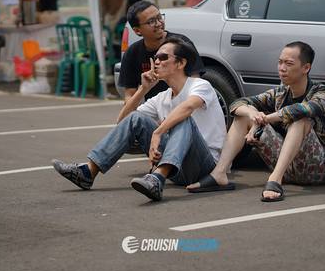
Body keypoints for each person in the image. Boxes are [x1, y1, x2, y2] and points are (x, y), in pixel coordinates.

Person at [52, 37, 226, 201]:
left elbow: (187, 108)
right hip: (177, 170)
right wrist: (143, 89)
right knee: (136, 117)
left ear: (181, 63)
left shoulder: (200, 85)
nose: (156, 62)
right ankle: (88, 172)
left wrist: (158, 132)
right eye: (155, 57)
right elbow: (123, 122)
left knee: (183, 119)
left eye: (163, 57)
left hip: (204, 168)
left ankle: (157, 178)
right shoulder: (162, 97)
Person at [187, 41, 325, 202]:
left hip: (318, 169)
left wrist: (263, 120)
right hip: (287, 167)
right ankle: (219, 174)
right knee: (244, 115)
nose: (282, 68)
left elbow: (301, 110)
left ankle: (275, 180)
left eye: (289, 64)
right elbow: (237, 104)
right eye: (280, 62)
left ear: (306, 68)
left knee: (300, 120)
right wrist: (253, 115)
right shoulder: (280, 93)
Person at [118, 0, 205, 102]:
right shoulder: (132, 53)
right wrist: (143, 89)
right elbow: (129, 95)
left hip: (184, 104)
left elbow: (196, 82)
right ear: (137, 30)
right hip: (154, 108)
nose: (159, 23)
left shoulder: (182, 44)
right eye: (151, 21)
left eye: (159, 17)